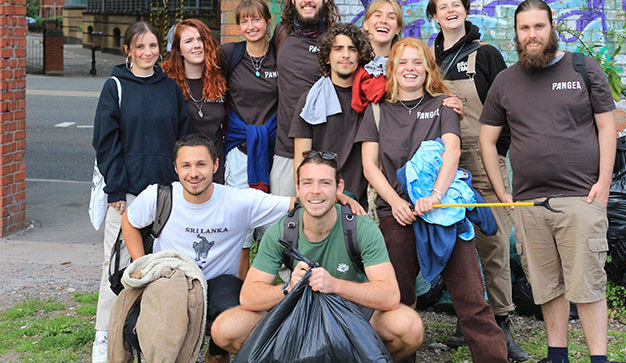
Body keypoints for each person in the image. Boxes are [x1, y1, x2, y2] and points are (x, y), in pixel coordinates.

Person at [479, 0, 620, 363]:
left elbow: (607, 127)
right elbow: (486, 139)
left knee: (587, 286)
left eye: (538, 26)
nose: (532, 35)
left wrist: (603, 182)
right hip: (528, 204)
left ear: (551, 25)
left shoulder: (582, 68)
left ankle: (598, 359)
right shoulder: (506, 81)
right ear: (516, 33)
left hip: (581, 199)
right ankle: (557, 357)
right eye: (524, 28)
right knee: (547, 288)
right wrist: (502, 192)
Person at [356, 37, 509, 363]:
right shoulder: (377, 111)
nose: (410, 69)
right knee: (398, 300)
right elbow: (370, 165)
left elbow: (452, 152)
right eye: (403, 63)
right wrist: (395, 203)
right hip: (397, 215)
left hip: (445, 215)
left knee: (472, 300)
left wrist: (436, 195)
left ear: (428, 69)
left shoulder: (443, 105)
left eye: (417, 62)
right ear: (392, 69)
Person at [209, 151, 424, 362]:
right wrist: (289, 287)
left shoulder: (359, 227)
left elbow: (389, 295)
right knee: (225, 328)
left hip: (355, 317)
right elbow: (249, 296)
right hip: (297, 315)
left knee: (409, 327)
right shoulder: (283, 230)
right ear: (298, 188)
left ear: (339, 187)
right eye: (308, 183)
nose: (315, 191)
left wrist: (335, 285)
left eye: (325, 183)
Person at [119, 134, 295, 363]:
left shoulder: (238, 201)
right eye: (186, 165)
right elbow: (129, 221)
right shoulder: (159, 196)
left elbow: (296, 203)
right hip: (172, 283)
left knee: (245, 321)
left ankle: (217, 349)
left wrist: (340, 198)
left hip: (219, 286)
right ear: (175, 168)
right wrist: (143, 264)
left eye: (201, 164)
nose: (194, 173)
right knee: (134, 329)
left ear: (215, 165)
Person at [427, 0, 528, 360]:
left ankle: (502, 323)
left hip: (484, 164)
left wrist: (498, 156)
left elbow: (507, 110)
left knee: (495, 244)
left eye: (456, 5)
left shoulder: (484, 55)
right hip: (444, 166)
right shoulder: (427, 58)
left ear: (465, 10)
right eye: (442, 7)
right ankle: (467, 318)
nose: (450, 11)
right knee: (456, 243)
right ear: (434, 16)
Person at [91, 21, 190, 363]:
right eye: (141, 47)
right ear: (128, 51)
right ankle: (104, 336)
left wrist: (179, 184)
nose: (148, 53)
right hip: (127, 196)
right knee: (116, 266)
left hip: (164, 195)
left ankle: (151, 334)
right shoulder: (115, 87)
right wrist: (116, 188)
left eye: (152, 46)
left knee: (161, 267)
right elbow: (105, 143)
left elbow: (182, 138)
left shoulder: (170, 89)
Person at [270, 0, 340, 197]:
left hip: (328, 149)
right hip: (286, 149)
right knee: (285, 221)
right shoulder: (282, 33)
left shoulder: (337, 39)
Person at [290, 23, 375, 206]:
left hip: (364, 200)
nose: (345, 54)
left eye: (352, 49)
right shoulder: (310, 101)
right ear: (327, 57)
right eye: (338, 49)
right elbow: (301, 159)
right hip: (321, 196)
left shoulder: (372, 99)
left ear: (359, 56)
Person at [220, 0, 277, 192]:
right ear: (238, 27)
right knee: (238, 212)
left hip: (275, 148)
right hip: (239, 148)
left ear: (268, 22)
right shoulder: (229, 54)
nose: (250, 26)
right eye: (244, 21)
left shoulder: (280, 56)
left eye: (256, 19)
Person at [163, 19, 227, 183]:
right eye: (189, 41)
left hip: (215, 167)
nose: (197, 45)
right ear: (180, 50)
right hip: (182, 171)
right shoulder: (166, 82)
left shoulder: (220, 79)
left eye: (201, 39)